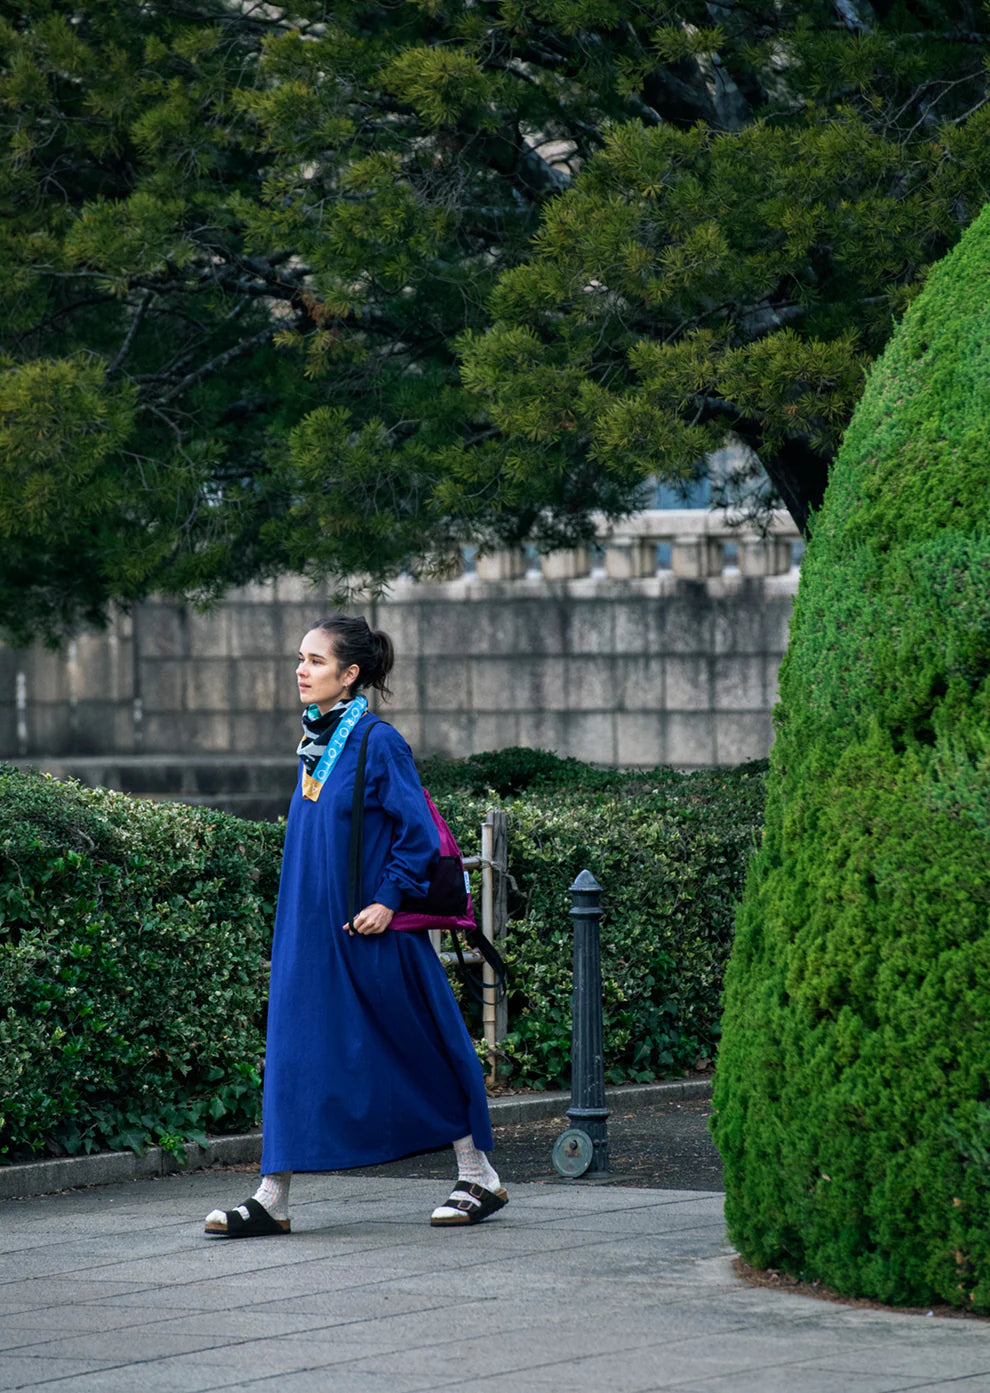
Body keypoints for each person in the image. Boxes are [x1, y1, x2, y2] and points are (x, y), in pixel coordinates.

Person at [204, 614, 506, 1237]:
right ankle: (272, 1198)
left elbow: (418, 833)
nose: (301, 669)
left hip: (368, 931)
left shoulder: (377, 741)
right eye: (300, 657)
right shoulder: (314, 742)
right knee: (293, 1052)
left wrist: (390, 900)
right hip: (308, 933)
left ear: (350, 675)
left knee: (412, 1045)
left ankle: (479, 1173)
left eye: (315, 660)